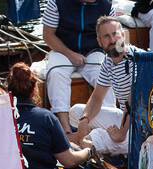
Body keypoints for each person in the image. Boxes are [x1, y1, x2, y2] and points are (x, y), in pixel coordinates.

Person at [9, 63, 91, 169]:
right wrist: (88, 151)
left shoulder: (1, 118)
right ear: (35, 89)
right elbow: (69, 161)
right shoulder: (46, 118)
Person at [70, 16, 138, 158]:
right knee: (76, 112)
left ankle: (88, 145)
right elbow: (97, 97)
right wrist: (85, 119)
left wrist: (120, 134)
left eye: (115, 34)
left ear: (123, 35)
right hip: (126, 119)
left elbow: (136, 101)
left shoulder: (137, 59)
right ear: (100, 42)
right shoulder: (108, 61)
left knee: (92, 139)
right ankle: (87, 143)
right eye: (106, 36)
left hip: (144, 128)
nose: (112, 40)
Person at [42, 0, 113, 132]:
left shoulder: (107, 5)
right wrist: (70, 54)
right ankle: (65, 129)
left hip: (93, 51)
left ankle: (107, 129)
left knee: (106, 74)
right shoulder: (56, 3)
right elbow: (48, 35)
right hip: (62, 49)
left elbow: (112, 38)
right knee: (56, 73)